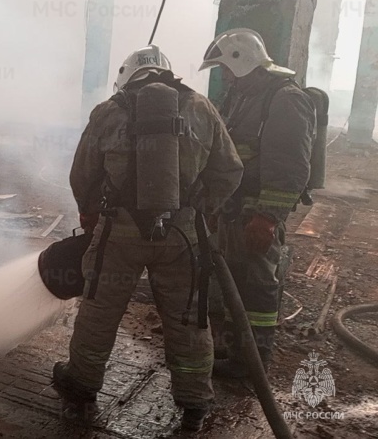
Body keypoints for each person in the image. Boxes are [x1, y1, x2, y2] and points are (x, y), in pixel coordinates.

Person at [54, 44, 243, 432]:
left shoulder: (109, 111)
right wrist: (200, 208)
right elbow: (229, 171)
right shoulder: (201, 107)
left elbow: (82, 174)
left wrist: (89, 211)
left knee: (99, 309)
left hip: (119, 233)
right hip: (183, 237)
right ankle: (194, 402)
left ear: (126, 77)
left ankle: (82, 386)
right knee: (189, 317)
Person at [198, 28, 315, 377]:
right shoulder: (244, 95)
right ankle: (237, 351)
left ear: (243, 63)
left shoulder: (285, 100)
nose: (225, 77)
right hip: (235, 209)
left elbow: (290, 167)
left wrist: (267, 216)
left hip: (257, 213)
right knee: (235, 281)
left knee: (258, 286)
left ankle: (254, 361)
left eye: (226, 69)